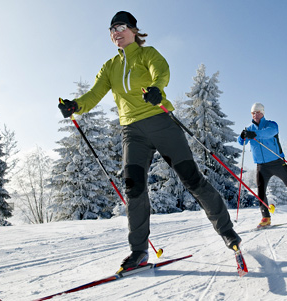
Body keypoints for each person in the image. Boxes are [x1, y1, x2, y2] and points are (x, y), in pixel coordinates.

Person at [58, 11, 241, 271]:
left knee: (192, 179)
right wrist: (75, 105)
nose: (115, 33)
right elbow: (95, 93)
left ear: (133, 29)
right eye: (111, 30)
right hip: (132, 132)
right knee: (134, 188)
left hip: (160, 121)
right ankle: (138, 252)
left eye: (120, 27)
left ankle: (228, 233)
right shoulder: (110, 67)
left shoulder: (147, 54)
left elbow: (161, 72)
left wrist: (156, 88)